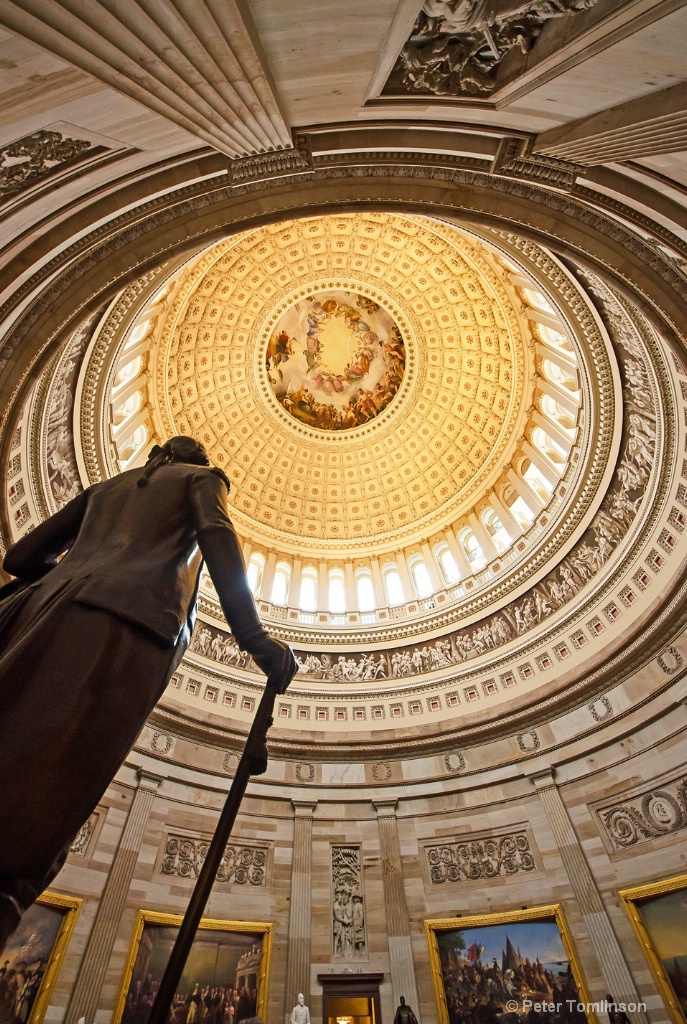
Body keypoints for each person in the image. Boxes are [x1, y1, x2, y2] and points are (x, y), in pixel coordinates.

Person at [0, 435, 297, 951]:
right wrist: (254, 639)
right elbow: (216, 536)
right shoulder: (203, 480)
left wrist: (72, 575)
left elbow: (22, 556)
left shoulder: (104, 491)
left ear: (159, 453)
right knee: (59, 783)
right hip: (126, 624)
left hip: (40, 614)